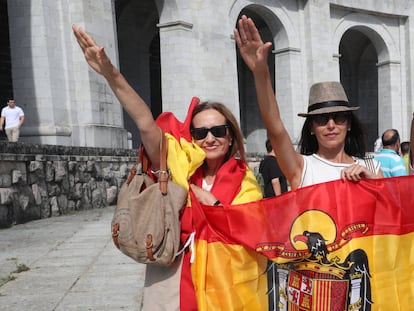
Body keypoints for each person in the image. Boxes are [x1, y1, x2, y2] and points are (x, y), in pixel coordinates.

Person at [72, 25, 268, 310]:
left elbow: (252, 230)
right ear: (192, 137)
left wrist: (211, 203)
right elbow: (145, 123)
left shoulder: (246, 179)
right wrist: (111, 75)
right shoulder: (179, 162)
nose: (210, 138)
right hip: (175, 276)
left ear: (231, 135)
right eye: (200, 133)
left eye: (218, 130)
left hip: (229, 287)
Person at [234, 15, 383, 192]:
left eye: (339, 117)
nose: (331, 125)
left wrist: (375, 183)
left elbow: (392, 213)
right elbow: (275, 129)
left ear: (349, 124)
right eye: (321, 119)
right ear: (311, 127)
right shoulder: (303, 167)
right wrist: (261, 73)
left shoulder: (372, 166)